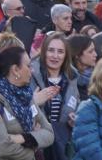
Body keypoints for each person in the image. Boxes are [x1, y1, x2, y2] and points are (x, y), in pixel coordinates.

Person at [0, 45, 54, 160]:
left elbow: (49, 133)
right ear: (15, 70)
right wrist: (33, 147)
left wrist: (24, 138)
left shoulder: (25, 96)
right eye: (28, 66)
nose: (32, 70)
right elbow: (2, 147)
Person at [31, 32, 76, 160]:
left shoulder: (72, 78)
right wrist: (34, 101)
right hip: (37, 143)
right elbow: (16, 109)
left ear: (66, 55)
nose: (55, 56)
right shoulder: (30, 75)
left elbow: (75, 105)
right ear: (44, 51)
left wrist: (74, 118)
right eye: (51, 50)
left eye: (60, 51)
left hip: (63, 144)